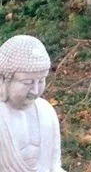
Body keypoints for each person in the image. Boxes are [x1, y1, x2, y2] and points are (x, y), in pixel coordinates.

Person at [0, 35, 64, 172]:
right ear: (4, 80)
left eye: (41, 81)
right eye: (27, 83)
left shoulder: (46, 112)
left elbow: (54, 166)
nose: (35, 91)